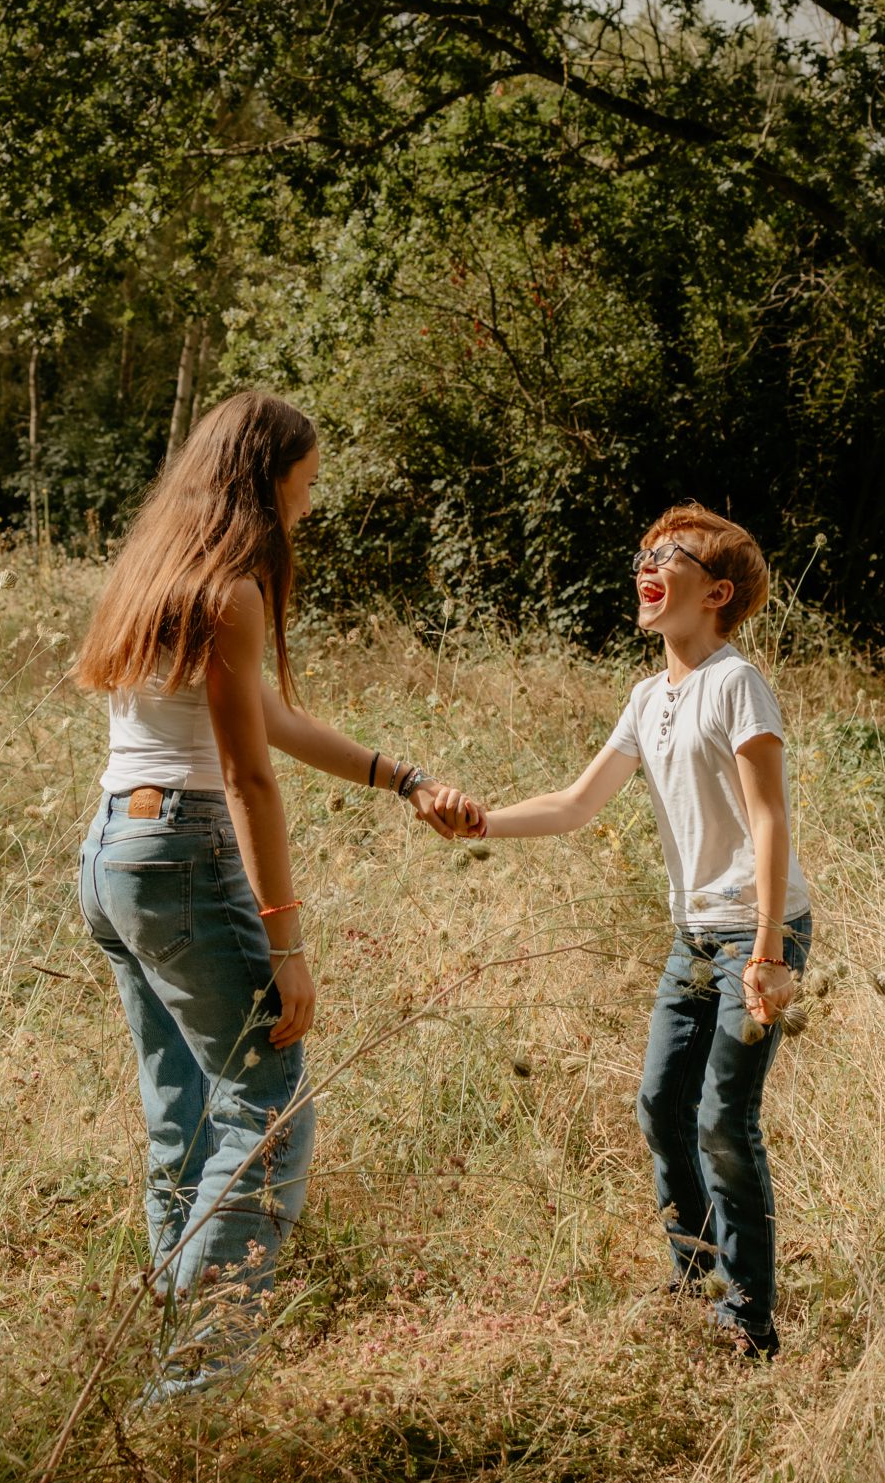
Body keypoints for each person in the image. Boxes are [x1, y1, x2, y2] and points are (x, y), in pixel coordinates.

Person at [73, 387, 475, 1401]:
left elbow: (269, 717)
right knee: (273, 1109)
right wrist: (285, 943)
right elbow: (252, 778)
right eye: (306, 479)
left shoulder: (160, 569)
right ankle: (196, 1389)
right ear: (268, 475)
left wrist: (405, 777)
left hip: (114, 850)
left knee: (186, 1112)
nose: (309, 500)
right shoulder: (234, 590)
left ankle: (172, 1343)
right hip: (181, 851)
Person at [472, 504, 811, 1359]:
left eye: (671, 556)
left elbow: (768, 819)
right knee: (662, 1106)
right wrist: (481, 822)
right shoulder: (645, 696)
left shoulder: (736, 683)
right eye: (644, 553)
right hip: (693, 934)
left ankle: (749, 1318)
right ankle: (693, 1276)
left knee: (722, 1121)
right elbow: (577, 803)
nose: (646, 565)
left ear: (716, 592)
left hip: (752, 933)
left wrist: (769, 949)